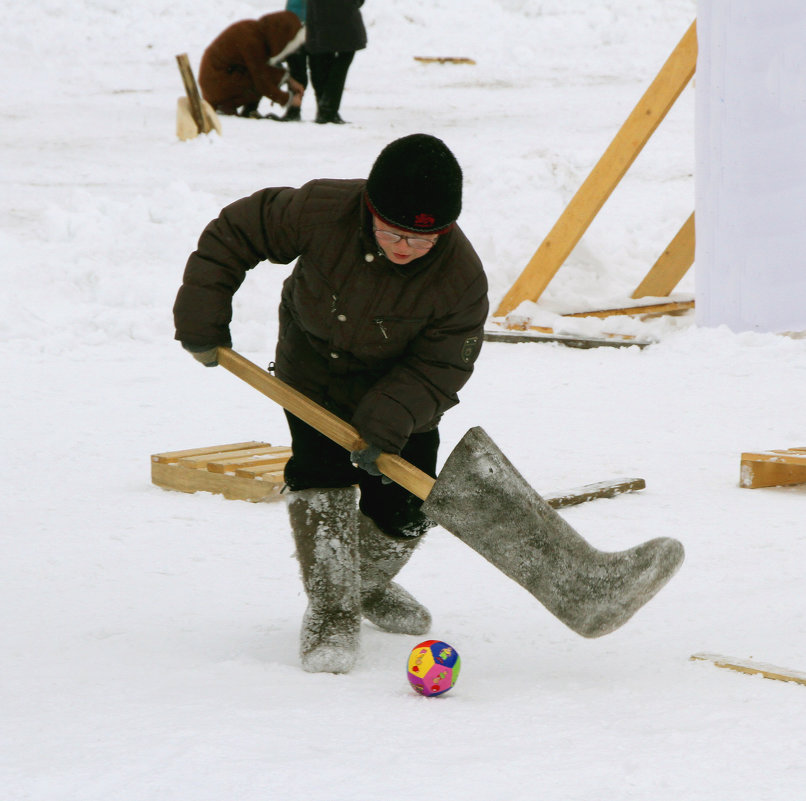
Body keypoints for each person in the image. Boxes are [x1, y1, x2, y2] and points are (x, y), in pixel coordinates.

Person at [173, 134, 489, 674]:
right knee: (323, 480)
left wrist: (390, 417)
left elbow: (443, 366)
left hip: (403, 393)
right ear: (370, 209)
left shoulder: (461, 279)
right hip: (313, 373)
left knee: (406, 510)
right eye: (393, 232)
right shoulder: (321, 209)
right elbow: (235, 233)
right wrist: (203, 317)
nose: (406, 247)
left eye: (425, 238)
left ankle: (363, 583)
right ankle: (333, 607)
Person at [198, 11, 307, 118]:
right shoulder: (252, 42)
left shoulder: (256, 31)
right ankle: (226, 104)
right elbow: (262, 81)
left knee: (272, 73)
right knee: (268, 77)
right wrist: (289, 100)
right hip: (216, 85)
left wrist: (289, 80)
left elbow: (262, 68)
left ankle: (243, 108)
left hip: (218, 79)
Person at [305, 0, 367, 124]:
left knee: (322, 63)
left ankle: (325, 108)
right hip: (345, 16)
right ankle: (328, 109)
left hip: (319, 18)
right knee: (341, 64)